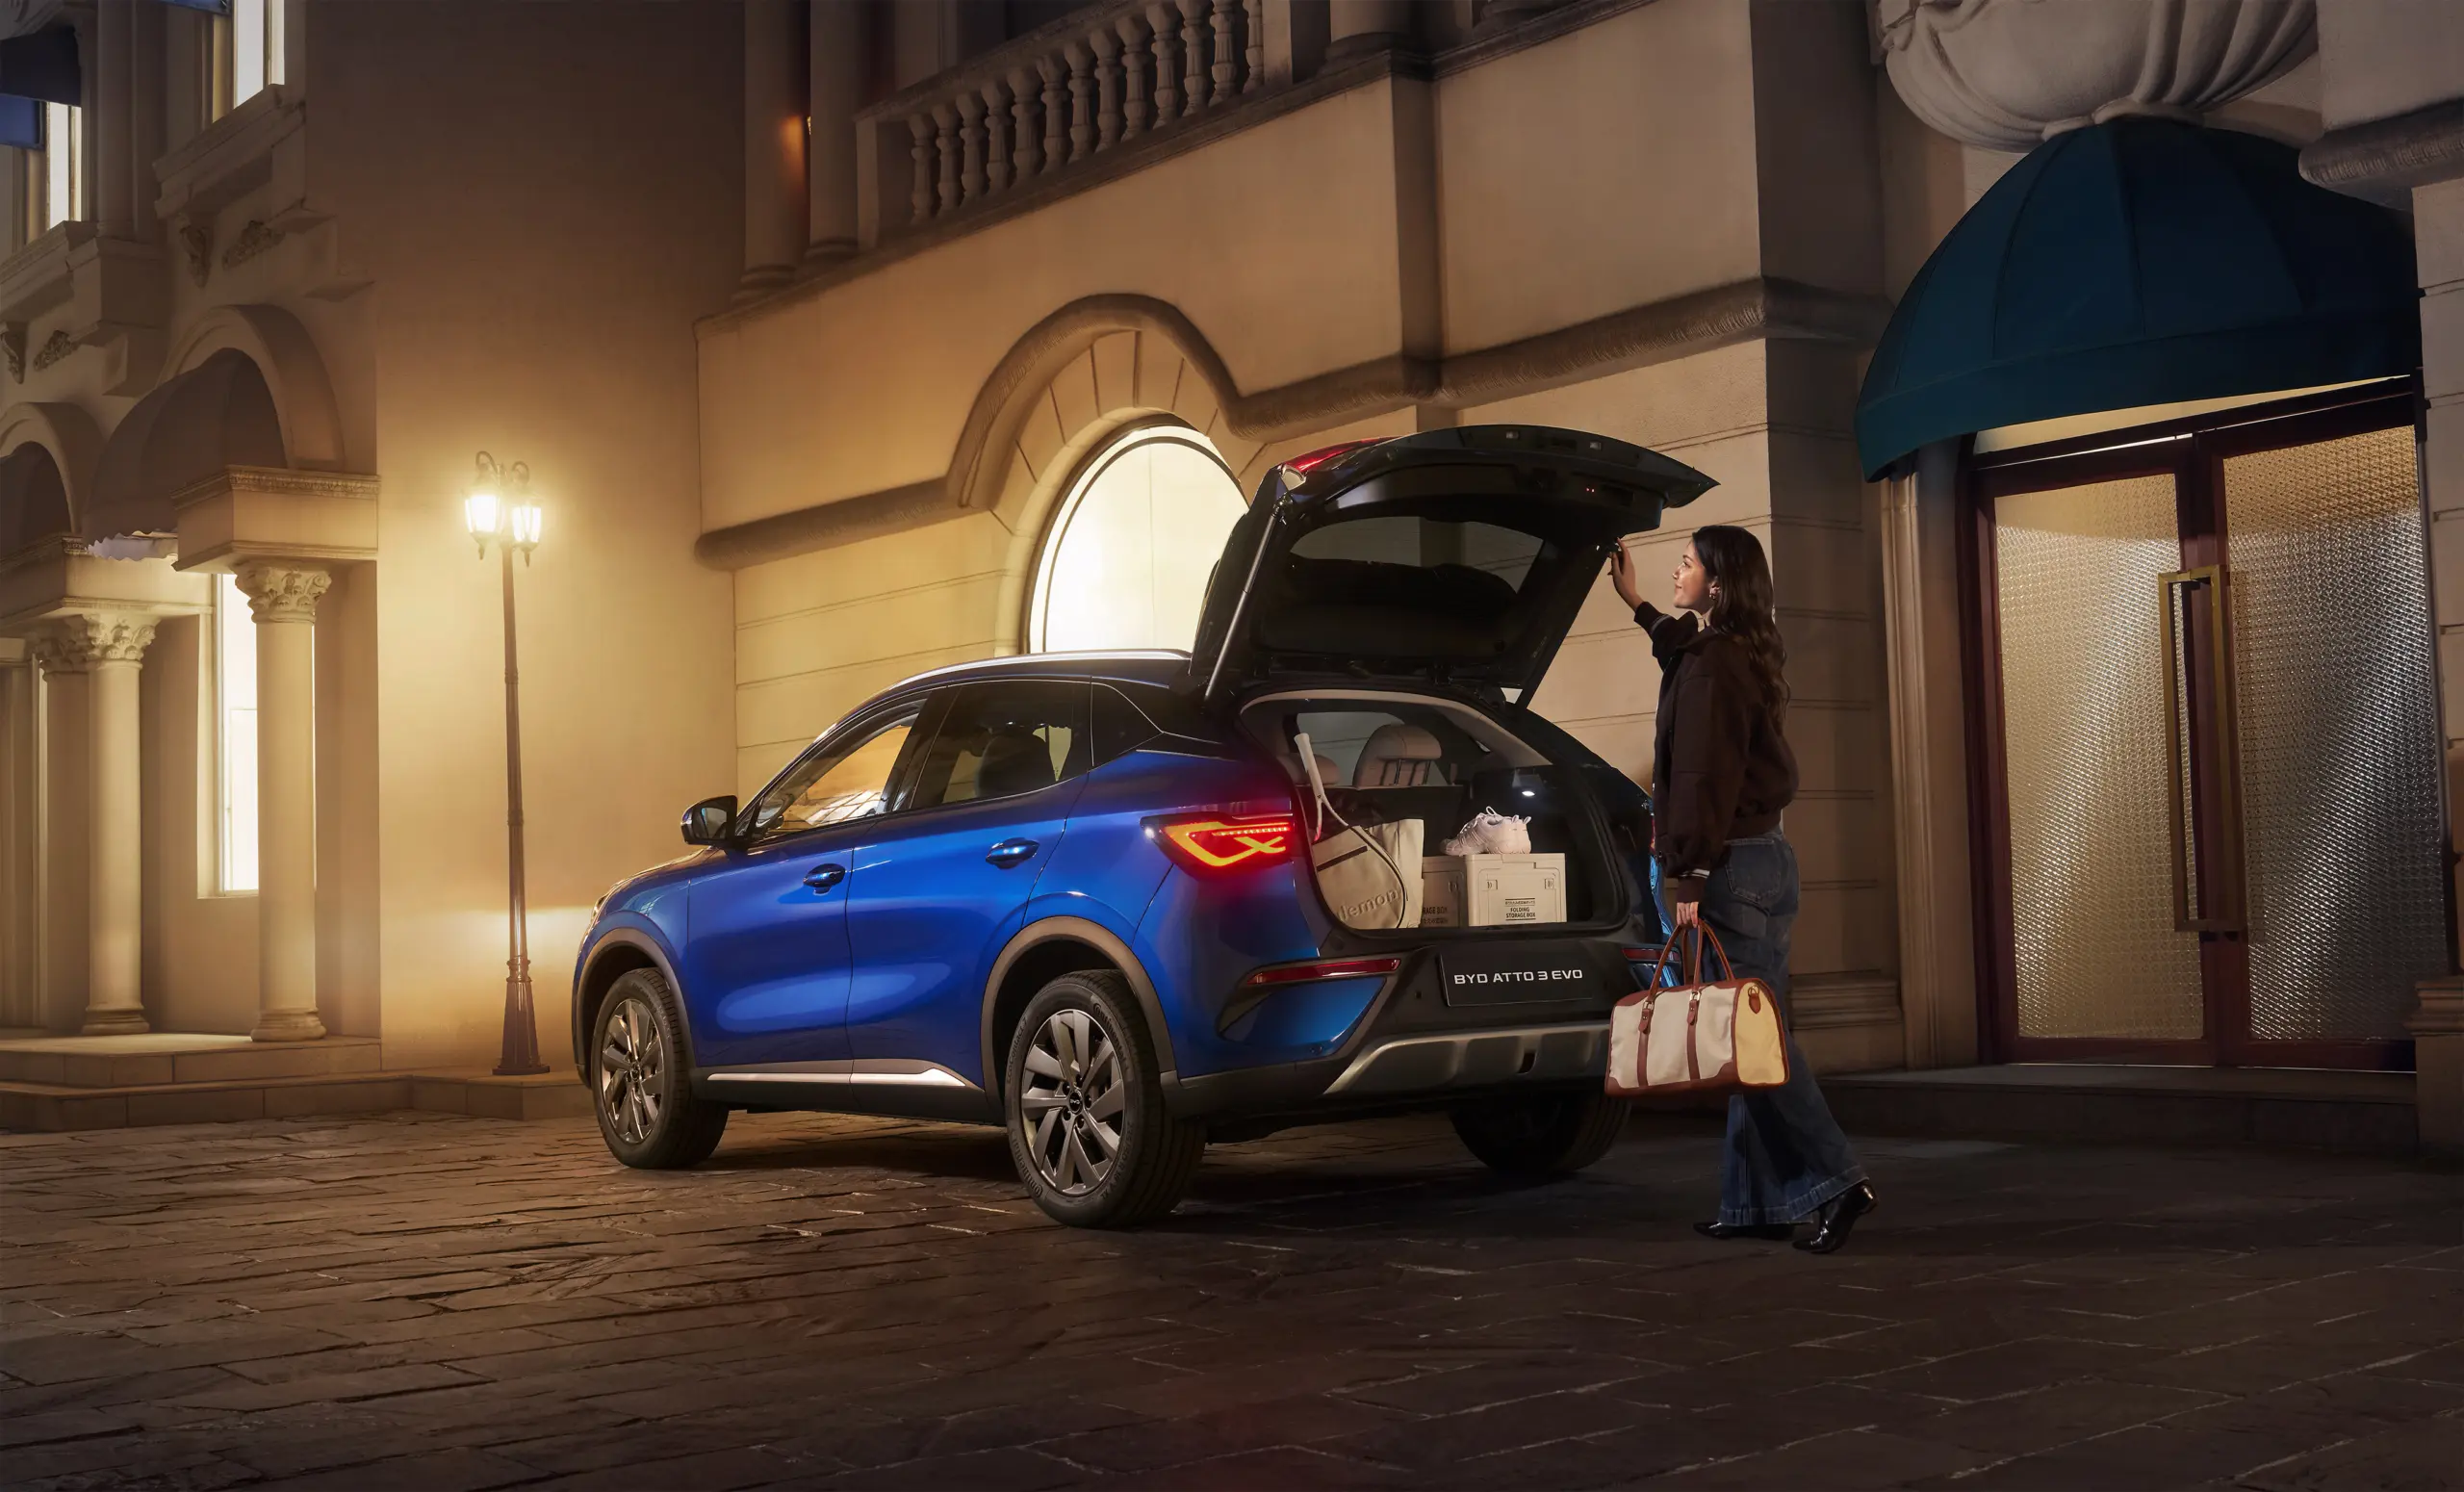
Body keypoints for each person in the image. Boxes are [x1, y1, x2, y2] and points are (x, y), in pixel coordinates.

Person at [1609, 526, 1878, 1254]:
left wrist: (1689, 875)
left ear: (1718, 582)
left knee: (1758, 1042)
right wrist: (1636, 603)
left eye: (1687, 563)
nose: (1677, 571)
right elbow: (1682, 650)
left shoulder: (1711, 667)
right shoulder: (1733, 652)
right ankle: (1757, 1202)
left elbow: (1702, 777)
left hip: (1726, 870)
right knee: (1748, 1034)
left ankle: (1839, 1182)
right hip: (1765, 864)